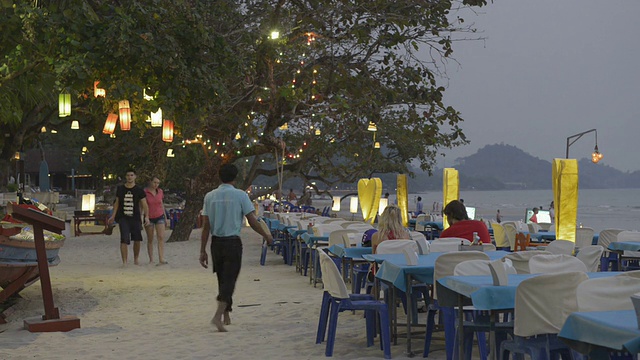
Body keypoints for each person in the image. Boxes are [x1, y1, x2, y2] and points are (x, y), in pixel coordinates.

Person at [199, 164, 274, 332]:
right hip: (232, 243)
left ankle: (226, 313)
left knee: (222, 279)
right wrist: (266, 235)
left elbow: (206, 226)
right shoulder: (240, 195)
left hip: (216, 243)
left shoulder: (210, 196)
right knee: (230, 280)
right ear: (235, 178)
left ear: (219, 177)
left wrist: (202, 250)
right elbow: (252, 220)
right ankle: (218, 315)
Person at [108, 168, 150, 266]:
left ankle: (136, 259)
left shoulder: (139, 190)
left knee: (137, 239)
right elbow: (117, 203)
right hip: (123, 217)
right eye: (128, 175)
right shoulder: (121, 189)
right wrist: (113, 216)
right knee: (124, 238)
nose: (129, 177)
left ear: (135, 177)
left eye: (131, 175)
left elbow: (144, 204)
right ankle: (125, 262)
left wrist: (146, 217)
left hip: (135, 217)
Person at [144, 176, 169, 265]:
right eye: (154, 182)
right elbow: (142, 205)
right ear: (150, 182)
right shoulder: (145, 192)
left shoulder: (160, 191)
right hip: (149, 216)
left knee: (161, 237)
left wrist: (165, 217)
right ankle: (151, 259)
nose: (156, 185)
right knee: (150, 238)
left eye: (158, 183)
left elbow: (161, 204)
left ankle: (161, 258)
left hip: (160, 215)